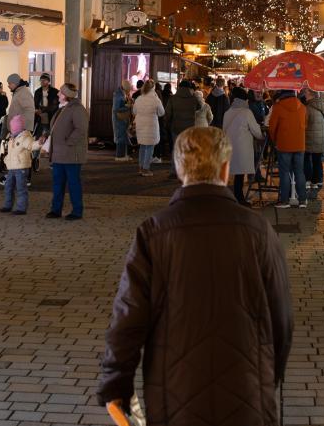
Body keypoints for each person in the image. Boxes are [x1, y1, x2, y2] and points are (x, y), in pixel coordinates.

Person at [97, 126, 293, 425]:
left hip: (174, 388)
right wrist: (268, 375)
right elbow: (281, 318)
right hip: (247, 388)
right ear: (226, 169)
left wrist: (116, 382)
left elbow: (128, 317)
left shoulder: (154, 231)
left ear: (179, 168)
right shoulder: (259, 231)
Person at [47, 83, 89, 220]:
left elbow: (81, 129)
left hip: (71, 154)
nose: (58, 94)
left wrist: (68, 142)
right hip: (59, 153)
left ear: (67, 95)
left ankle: (77, 211)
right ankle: (56, 209)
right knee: (58, 183)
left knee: (73, 183)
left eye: (60, 92)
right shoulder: (63, 109)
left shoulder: (77, 109)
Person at [267, 89, 307, 208]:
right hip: (300, 144)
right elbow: (306, 125)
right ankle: (303, 200)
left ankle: (285, 201)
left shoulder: (278, 107)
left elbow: (272, 127)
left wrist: (275, 141)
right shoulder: (303, 107)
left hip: (284, 144)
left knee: (285, 173)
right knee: (299, 172)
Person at [224, 86, 263, 204]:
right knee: (240, 174)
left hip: (229, 146)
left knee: (236, 173)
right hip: (242, 147)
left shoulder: (228, 112)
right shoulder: (246, 112)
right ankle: (239, 198)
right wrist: (261, 136)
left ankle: (236, 196)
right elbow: (256, 131)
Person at [0, 74, 36, 185]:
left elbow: (29, 109)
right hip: (17, 128)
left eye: (9, 83)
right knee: (15, 153)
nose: (8, 86)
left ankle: (24, 178)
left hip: (21, 129)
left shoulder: (23, 92)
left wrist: (20, 125)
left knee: (22, 153)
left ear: (14, 83)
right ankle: (12, 177)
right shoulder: (19, 92)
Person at [0, 112, 33, 215]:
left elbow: (31, 145)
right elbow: (11, 152)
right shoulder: (12, 137)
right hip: (12, 167)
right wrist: (6, 160)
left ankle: (21, 208)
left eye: (14, 128)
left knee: (21, 187)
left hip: (21, 167)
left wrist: (39, 143)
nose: (12, 129)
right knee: (8, 186)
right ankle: (7, 205)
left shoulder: (25, 137)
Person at [132, 80, 165, 177]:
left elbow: (134, 111)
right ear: (153, 88)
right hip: (151, 126)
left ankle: (141, 167)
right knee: (150, 147)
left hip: (140, 126)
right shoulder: (156, 99)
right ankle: (146, 169)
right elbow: (162, 112)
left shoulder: (139, 98)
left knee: (142, 147)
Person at [164, 79, 202, 155]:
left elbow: (168, 114)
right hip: (189, 128)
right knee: (187, 150)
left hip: (176, 128)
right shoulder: (193, 99)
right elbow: (199, 107)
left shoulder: (173, 98)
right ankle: (186, 166)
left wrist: (166, 125)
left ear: (179, 87)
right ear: (189, 88)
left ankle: (175, 166)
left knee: (176, 149)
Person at [302, 88, 324, 193]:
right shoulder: (322, 105)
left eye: (306, 93)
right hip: (320, 136)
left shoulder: (307, 107)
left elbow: (304, 124)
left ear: (310, 94)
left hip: (310, 137)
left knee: (307, 158)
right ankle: (318, 180)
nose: (304, 95)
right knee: (317, 159)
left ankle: (308, 179)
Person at [34, 72, 60, 137]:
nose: (42, 82)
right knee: (39, 135)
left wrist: (43, 110)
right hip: (39, 118)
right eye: (41, 80)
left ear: (48, 81)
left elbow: (55, 106)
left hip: (51, 117)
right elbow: (35, 104)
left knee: (49, 135)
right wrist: (36, 110)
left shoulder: (55, 91)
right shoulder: (37, 92)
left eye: (44, 80)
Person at [112, 80, 132, 162]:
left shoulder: (120, 93)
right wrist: (127, 107)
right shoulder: (118, 95)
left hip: (121, 119)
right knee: (121, 137)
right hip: (119, 119)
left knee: (123, 136)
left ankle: (123, 155)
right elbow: (116, 109)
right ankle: (119, 156)